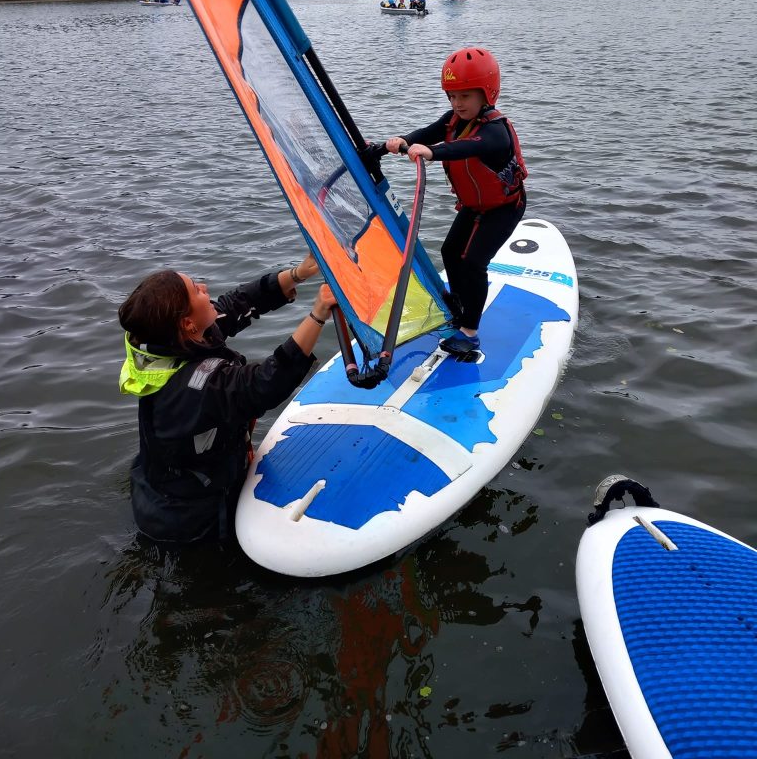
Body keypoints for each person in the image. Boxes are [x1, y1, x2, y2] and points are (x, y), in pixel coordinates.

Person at [118, 254, 335, 543]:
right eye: (196, 290)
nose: (204, 287)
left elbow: (238, 303)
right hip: (186, 520)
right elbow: (264, 383)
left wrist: (298, 273)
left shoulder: (172, 339)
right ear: (187, 324)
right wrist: (318, 314)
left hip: (160, 486)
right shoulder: (196, 388)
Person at [384, 47, 527, 357]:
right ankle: (460, 305)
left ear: (486, 94)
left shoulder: (496, 132)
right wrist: (400, 142)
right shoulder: (453, 119)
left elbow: (468, 147)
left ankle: (470, 332)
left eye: (465, 96)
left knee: (474, 262)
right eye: (452, 96)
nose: (457, 103)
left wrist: (433, 152)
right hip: (474, 206)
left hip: (504, 209)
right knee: (450, 251)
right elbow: (428, 133)